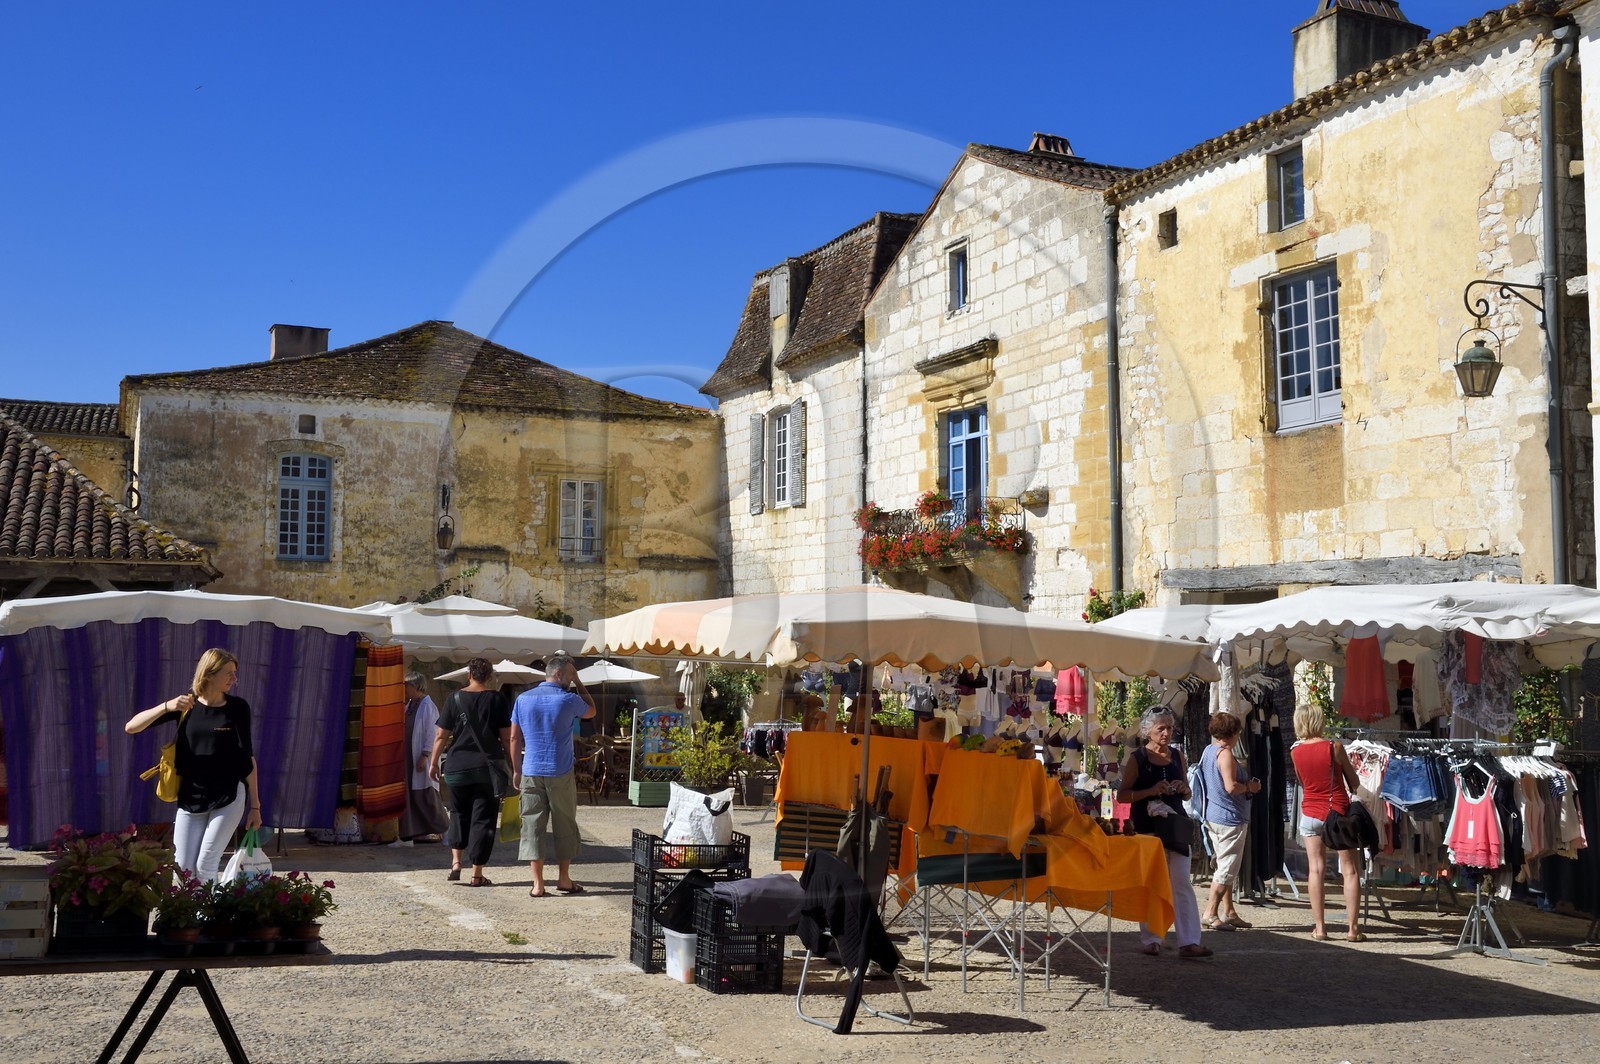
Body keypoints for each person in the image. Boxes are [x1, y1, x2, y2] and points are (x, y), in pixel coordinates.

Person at [125, 648, 262, 883]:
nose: (234, 679)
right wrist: (167, 706)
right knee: (183, 869)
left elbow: (248, 757)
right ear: (209, 674)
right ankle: (188, 916)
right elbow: (132, 727)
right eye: (228, 673)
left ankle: (206, 918)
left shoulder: (238, 707)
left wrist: (256, 806)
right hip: (191, 796)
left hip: (228, 794)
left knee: (206, 863)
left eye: (235, 673)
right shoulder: (185, 705)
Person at [1117, 707, 1211, 959]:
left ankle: (1189, 941)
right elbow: (1122, 795)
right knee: (1150, 884)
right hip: (1147, 829)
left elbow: (1189, 793)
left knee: (1182, 882)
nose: (1167, 733)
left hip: (1176, 828)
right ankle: (1152, 938)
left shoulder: (1177, 756)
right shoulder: (1138, 758)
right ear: (1147, 730)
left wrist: (1184, 788)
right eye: (1161, 728)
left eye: (1170, 728)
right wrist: (1150, 791)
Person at [509, 651, 596, 898]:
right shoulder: (568, 699)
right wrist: (580, 683)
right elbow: (591, 710)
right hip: (560, 769)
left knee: (532, 824)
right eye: (569, 675)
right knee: (564, 822)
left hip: (531, 769)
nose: (570, 679)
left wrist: (516, 769)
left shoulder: (523, 699)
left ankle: (537, 884)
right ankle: (564, 879)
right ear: (558, 674)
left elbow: (514, 737)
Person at [429, 658, 512, 888]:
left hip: (457, 766)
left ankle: (456, 862)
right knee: (483, 819)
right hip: (487, 769)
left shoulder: (454, 699)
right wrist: (513, 765)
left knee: (458, 812)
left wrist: (434, 762)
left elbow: (440, 736)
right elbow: (506, 738)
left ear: (469, 675)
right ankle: (477, 874)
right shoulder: (498, 700)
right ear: (490, 676)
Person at [1289, 704, 1364, 942]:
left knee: (1316, 869)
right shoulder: (1334, 747)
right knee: (1350, 870)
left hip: (1310, 813)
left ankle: (1320, 928)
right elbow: (1354, 783)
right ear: (1319, 721)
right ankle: (1352, 930)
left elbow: (1302, 781)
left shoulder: (1295, 752)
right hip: (1337, 812)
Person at [1198, 711, 1262, 931]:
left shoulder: (1209, 750)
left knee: (1226, 865)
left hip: (1214, 815)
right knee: (1226, 868)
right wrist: (1250, 788)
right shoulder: (1225, 754)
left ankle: (1229, 911)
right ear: (1233, 733)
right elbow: (1231, 786)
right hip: (1229, 818)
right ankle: (1210, 912)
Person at [394, 672, 448, 845]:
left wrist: (425, 755)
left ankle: (445, 829)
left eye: (407, 686)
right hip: (408, 757)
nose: (405, 689)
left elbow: (432, 733)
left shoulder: (427, 706)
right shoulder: (409, 705)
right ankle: (409, 835)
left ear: (416, 686)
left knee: (426, 796)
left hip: (419, 757)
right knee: (408, 796)